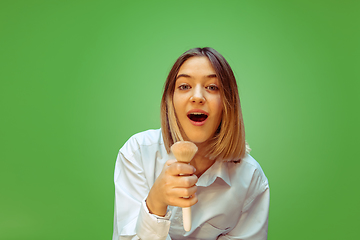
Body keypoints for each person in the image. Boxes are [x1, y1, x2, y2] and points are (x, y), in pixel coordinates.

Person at [112, 47, 270, 240]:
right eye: (184, 86)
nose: (197, 97)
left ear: (228, 103)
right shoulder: (136, 153)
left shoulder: (250, 178)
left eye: (212, 87)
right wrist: (155, 203)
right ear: (171, 100)